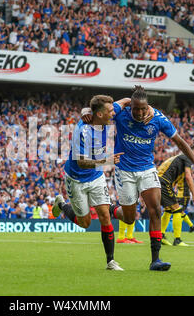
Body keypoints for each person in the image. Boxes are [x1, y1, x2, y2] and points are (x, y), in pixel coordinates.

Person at [81, 86, 194, 271]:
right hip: (124, 171)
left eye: (143, 108)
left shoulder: (157, 118)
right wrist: (85, 111)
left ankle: (155, 260)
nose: (139, 113)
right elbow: (98, 111)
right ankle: (111, 209)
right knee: (130, 218)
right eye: (135, 109)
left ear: (148, 106)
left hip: (147, 169)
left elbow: (181, 142)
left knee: (155, 209)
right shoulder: (121, 112)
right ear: (130, 106)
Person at [52, 94, 126, 271]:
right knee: (85, 223)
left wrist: (142, 106)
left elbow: (124, 102)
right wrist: (107, 161)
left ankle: (110, 261)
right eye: (109, 111)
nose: (113, 113)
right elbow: (81, 162)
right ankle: (62, 205)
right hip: (76, 178)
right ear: (99, 114)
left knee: (104, 216)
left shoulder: (104, 114)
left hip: (96, 176)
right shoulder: (83, 131)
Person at [158, 145, 194, 246]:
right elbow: (188, 176)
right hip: (163, 182)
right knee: (177, 210)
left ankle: (161, 236)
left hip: (160, 182)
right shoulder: (188, 157)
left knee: (168, 210)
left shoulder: (181, 158)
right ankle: (177, 239)